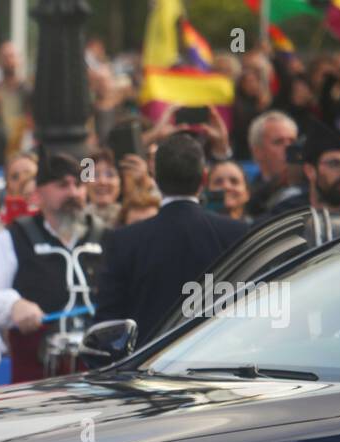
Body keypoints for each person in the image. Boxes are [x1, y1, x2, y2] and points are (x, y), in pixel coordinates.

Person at [96, 132, 248, 344]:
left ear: (155, 177)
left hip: (146, 368)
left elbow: (108, 325)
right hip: (218, 362)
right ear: (204, 178)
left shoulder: (123, 241)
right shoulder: (237, 233)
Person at [0, 149, 104, 383]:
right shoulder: (12, 239)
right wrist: (12, 305)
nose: (73, 193)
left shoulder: (106, 238)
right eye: (62, 185)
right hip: (37, 388)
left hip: (100, 383)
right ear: (37, 194)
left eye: (78, 185)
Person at [245, 110, 299, 217]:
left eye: (292, 141)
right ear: (257, 152)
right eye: (278, 142)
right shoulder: (247, 195)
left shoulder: (314, 189)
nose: (289, 148)